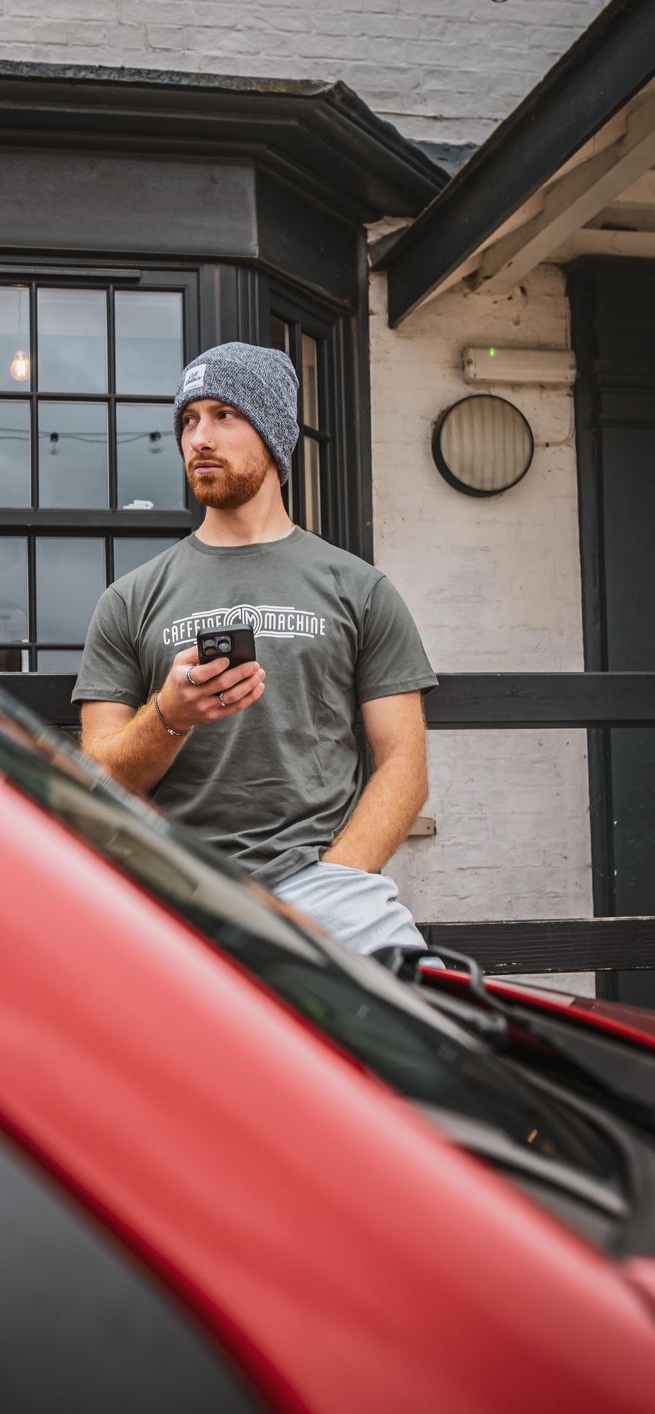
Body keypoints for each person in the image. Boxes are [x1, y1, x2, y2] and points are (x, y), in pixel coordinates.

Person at [73, 341, 438, 956]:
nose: (199, 438)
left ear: (273, 435)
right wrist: (170, 716)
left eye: (224, 416)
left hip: (326, 884)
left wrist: (342, 873)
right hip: (179, 889)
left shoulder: (359, 588)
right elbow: (100, 779)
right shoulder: (129, 599)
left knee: (426, 1038)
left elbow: (405, 761)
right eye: (188, 421)